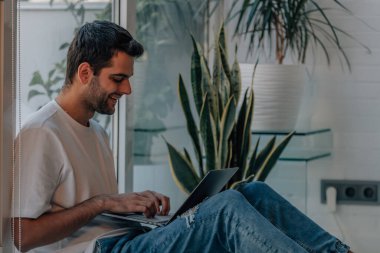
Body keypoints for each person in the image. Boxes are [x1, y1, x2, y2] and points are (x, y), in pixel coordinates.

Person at [13, 20, 353, 253]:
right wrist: (103, 202)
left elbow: (99, 213)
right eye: (118, 79)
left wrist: (133, 207)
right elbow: (22, 236)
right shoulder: (43, 132)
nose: (128, 89)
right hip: (106, 249)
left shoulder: (97, 131)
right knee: (227, 207)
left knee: (253, 191)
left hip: (132, 239)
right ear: (85, 72)